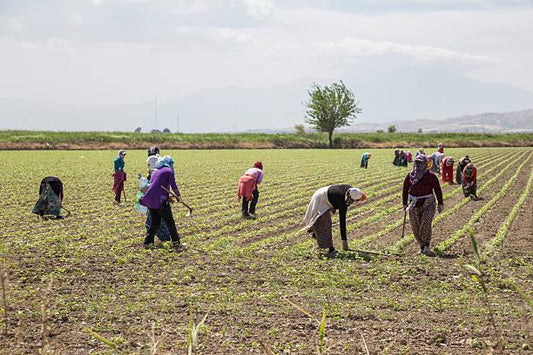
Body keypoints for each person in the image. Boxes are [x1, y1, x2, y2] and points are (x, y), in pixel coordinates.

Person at [303, 185, 366, 256]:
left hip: (327, 194)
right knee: (325, 223)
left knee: (322, 221)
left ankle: (316, 233)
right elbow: (342, 222)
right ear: (350, 197)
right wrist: (344, 241)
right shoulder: (342, 202)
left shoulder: (351, 190)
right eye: (356, 201)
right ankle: (331, 249)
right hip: (320, 198)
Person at [139, 156, 184, 251]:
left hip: (151, 200)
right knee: (170, 222)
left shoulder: (156, 171)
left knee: (155, 222)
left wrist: (168, 197)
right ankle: (176, 243)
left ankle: (147, 243)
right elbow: (173, 185)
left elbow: (155, 187)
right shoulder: (169, 171)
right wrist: (179, 196)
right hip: (160, 201)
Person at [402, 154, 444, 256]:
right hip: (414, 204)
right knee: (415, 226)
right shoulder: (410, 175)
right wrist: (404, 203)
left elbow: (437, 190)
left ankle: (426, 246)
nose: (419, 164)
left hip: (428, 203)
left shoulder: (431, 176)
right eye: (417, 162)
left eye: (421, 162)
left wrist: (440, 203)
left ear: (425, 164)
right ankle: (422, 246)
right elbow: (405, 189)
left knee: (425, 223)